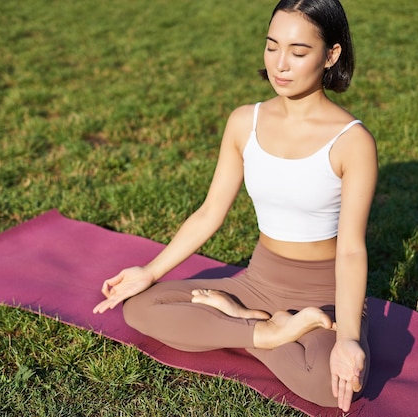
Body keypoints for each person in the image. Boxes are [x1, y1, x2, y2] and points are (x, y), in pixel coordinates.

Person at [93, 0, 378, 412]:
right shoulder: (245, 121)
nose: (280, 64)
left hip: (325, 293)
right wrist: (150, 271)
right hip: (257, 280)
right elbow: (210, 212)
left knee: (328, 385)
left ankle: (239, 322)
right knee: (140, 307)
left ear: (331, 55)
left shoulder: (352, 141)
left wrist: (348, 338)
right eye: (271, 46)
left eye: (298, 52)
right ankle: (264, 330)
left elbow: (352, 249)